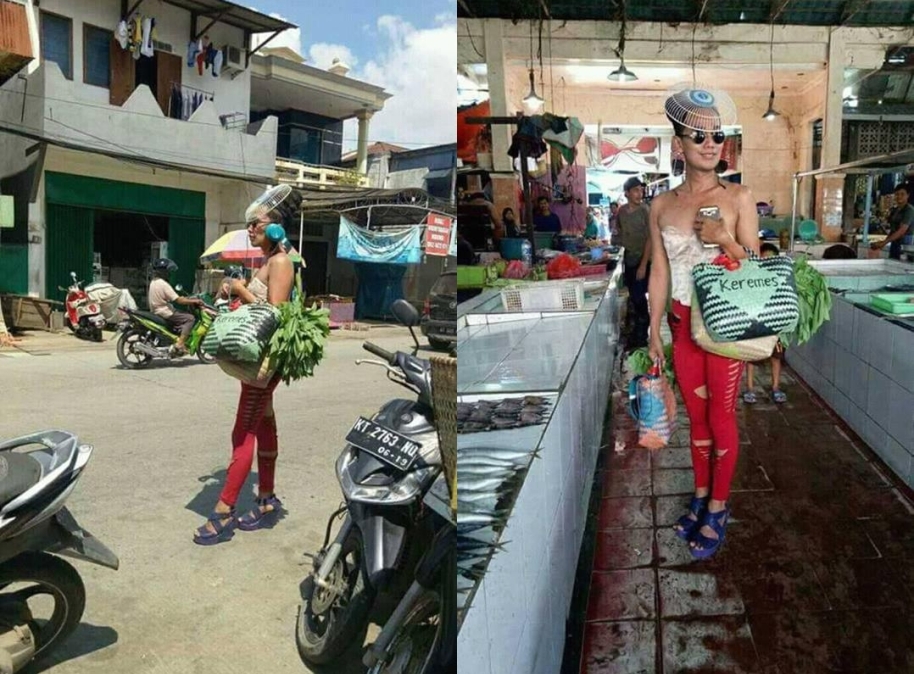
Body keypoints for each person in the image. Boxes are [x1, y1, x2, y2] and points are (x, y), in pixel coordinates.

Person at [647, 87, 760, 559]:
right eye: (698, 136)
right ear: (679, 145)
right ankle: (699, 494)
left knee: (721, 416)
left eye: (717, 136)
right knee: (696, 418)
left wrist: (724, 240)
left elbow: (757, 267)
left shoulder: (739, 197)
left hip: (725, 325)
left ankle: (717, 506)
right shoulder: (662, 205)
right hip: (681, 321)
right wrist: (652, 328)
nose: (710, 144)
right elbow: (660, 270)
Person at [193, 190, 299, 546]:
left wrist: (240, 288)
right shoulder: (267, 262)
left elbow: (277, 311)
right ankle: (266, 499)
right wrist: (234, 293)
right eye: (249, 223)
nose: (250, 228)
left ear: (275, 229)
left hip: (265, 364)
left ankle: (224, 512)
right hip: (255, 359)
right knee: (264, 423)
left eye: (257, 223)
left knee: (243, 432)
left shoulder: (281, 261)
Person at [743, 243, 787, 405]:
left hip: (775, 325)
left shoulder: (780, 279)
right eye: (763, 259)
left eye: (771, 259)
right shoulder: (752, 278)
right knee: (752, 357)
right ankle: (749, 388)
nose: (767, 262)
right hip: (755, 324)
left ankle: (775, 387)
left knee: (776, 357)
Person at [618, 177, 652, 348]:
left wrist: (643, 265)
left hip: (643, 261)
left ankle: (641, 339)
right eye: (636, 190)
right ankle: (635, 335)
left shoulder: (646, 211)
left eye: (641, 190)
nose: (641, 193)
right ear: (627, 193)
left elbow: (650, 239)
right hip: (629, 260)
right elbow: (619, 233)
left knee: (640, 299)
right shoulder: (622, 212)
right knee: (633, 297)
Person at [147, 258, 203, 355]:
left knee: (180, 314)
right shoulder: (163, 284)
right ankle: (180, 343)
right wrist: (195, 301)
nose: (169, 273)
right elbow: (178, 300)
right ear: (163, 272)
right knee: (190, 318)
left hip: (156, 310)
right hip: (165, 312)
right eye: (168, 271)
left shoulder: (154, 282)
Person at [870, 184, 914, 260]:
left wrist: (884, 243)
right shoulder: (895, 210)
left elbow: (901, 231)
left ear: (908, 195)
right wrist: (882, 244)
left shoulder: (909, 210)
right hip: (894, 242)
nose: (899, 196)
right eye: (897, 194)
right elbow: (893, 230)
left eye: (902, 194)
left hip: (905, 243)